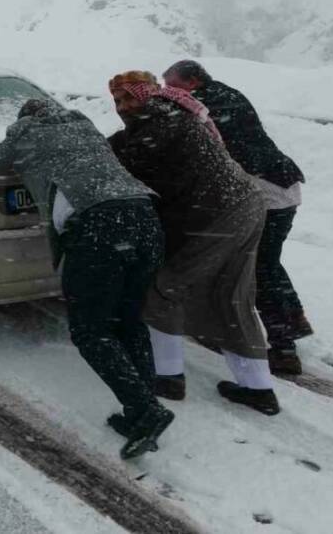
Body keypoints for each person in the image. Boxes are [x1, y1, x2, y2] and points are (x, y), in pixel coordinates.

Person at [0, 97, 173, 458]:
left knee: (90, 330)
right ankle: (139, 409)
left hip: (98, 226)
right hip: (145, 217)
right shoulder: (86, 129)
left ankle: (146, 409)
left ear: (24, 119)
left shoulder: (24, 134)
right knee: (129, 320)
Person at [107, 70, 280, 416]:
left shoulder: (157, 122)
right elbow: (129, 148)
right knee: (231, 296)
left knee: (163, 288)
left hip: (217, 214)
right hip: (244, 204)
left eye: (129, 97)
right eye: (117, 100)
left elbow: (130, 160)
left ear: (149, 93)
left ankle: (167, 378)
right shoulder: (171, 116)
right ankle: (258, 388)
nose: (123, 106)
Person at [163, 60, 313, 375]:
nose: (167, 91)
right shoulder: (226, 94)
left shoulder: (204, 104)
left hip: (264, 189)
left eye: (171, 84)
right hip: (283, 182)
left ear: (191, 81)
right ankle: (294, 319)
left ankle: (284, 349)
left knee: (258, 268)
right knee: (269, 260)